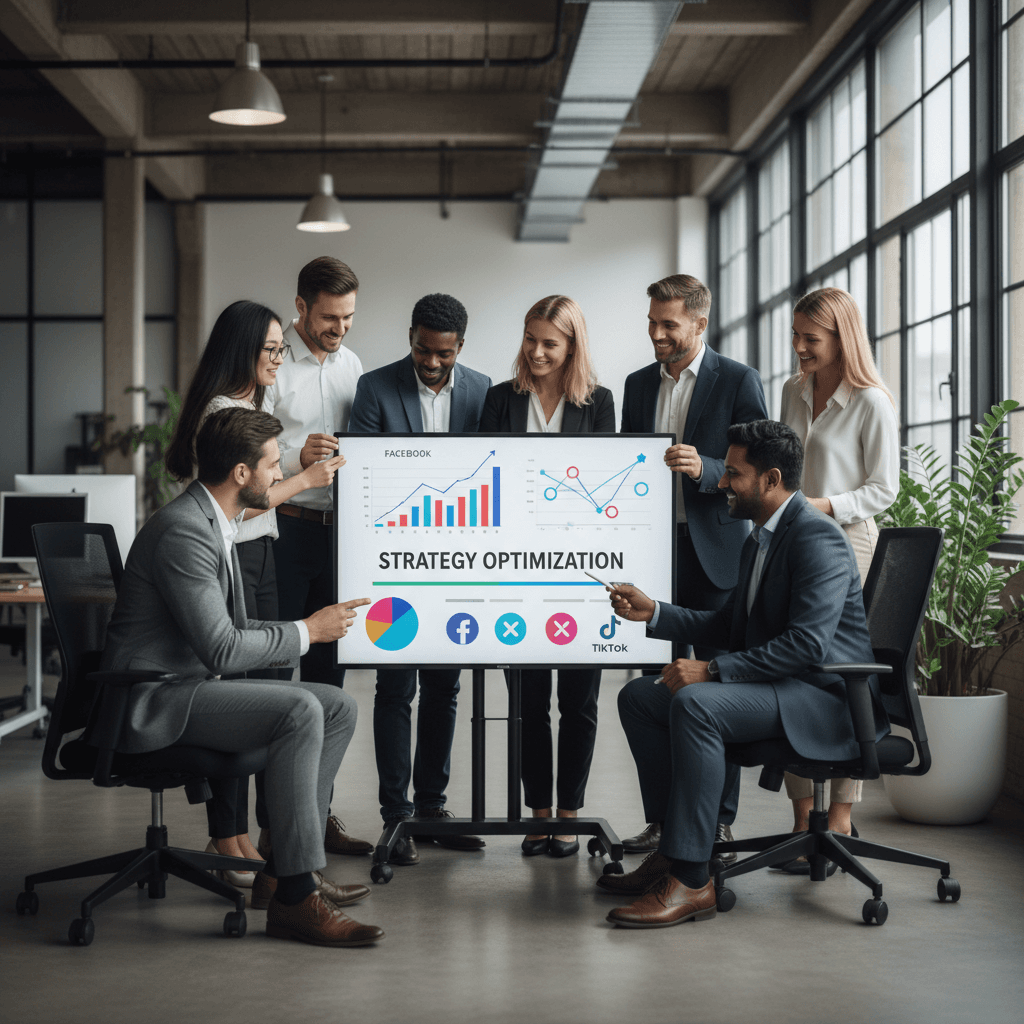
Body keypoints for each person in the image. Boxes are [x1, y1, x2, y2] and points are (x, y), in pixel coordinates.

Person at [101, 408, 383, 947]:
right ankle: (297, 899)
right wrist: (307, 631)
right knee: (298, 707)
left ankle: (280, 867)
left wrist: (314, 626)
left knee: (336, 705)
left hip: (186, 685)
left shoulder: (215, 521)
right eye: (275, 465)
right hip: (154, 699)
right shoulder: (185, 531)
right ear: (240, 474)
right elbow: (223, 647)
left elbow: (229, 627)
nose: (282, 476)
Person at [596, 419, 889, 929]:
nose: (721, 483)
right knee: (643, 697)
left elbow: (807, 645)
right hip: (781, 688)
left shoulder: (816, 538)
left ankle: (692, 879)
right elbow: (733, 624)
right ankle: (672, 850)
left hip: (820, 699)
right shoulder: (760, 539)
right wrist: (656, 613)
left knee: (695, 702)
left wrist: (711, 670)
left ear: (770, 479)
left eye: (733, 474)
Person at [165, 300, 346, 885]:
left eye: (278, 349)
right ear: (243, 349)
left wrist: (294, 458)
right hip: (238, 552)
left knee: (269, 688)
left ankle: (248, 837)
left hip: (263, 549)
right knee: (244, 693)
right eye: (270, 350)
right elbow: (242, 494)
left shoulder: (249, 401)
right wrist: (306, 478)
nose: (279, 358)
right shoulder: (223, 408)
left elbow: (257, 475)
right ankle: (228, 836)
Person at [617, 274, 768, 856]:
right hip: (652, 550)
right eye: (652, 322)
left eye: (668, 325)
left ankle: (718, 822)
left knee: (714, 687)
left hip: (715, 551)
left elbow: (756, 467)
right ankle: (662, 821)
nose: (656, 333)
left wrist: (705, 467)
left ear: (699, 324)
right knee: (653, 688)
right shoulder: (635, 385)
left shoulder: (737, 380)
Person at [349, 293, 492, 865]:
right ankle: (397, 815)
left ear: (461, 346)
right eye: (422, 350)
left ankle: (431, 807)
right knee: (395, 686)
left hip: (458, 562)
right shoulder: (376, 388)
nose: (431, 363)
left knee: (444, 686)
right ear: (410, 336)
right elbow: (363, 475)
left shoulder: (483, 391)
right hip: (393, 565)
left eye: (443, 354)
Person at [479, 295, 615, 857]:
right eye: (530, 339)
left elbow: (605, 487)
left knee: (578, 702)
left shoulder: (600, 403)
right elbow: (483, 480)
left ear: (571, 347)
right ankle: (538, 816)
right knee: (527, 701)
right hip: (516, 570)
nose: (536, 352)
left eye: (549, 343)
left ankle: (570, 815)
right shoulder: (499, 400)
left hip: (581, 574)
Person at [778, 287, 899, 864]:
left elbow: (883, 489)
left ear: (841, 339)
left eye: (811, 339)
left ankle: (842, 817)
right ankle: (803, 819)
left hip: (849, 546)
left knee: (843, 673)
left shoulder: (871, 402)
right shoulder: (792, 391)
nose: (799, 347)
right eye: (796, 335)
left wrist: (821, 506)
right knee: (794, 668)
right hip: (793, 543)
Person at [263, 256, 372, 859]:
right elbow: (246, 445)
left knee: (331, 678)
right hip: (287, 529)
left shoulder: (352, 365)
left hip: (341, 535)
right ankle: (276, 827)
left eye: (349, 317)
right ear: (301, 307)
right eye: (330, 317)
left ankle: (317, 815)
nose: (341, 328)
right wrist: (292, 450)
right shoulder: (274, 365)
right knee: (281, 680)